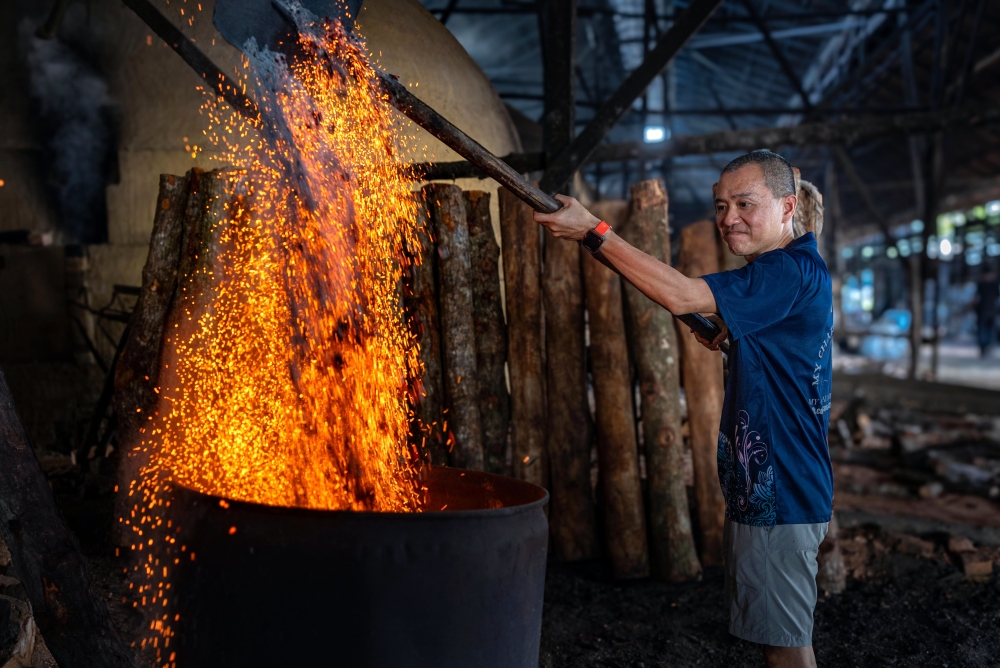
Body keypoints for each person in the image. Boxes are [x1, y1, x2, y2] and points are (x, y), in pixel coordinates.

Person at [534, 149, 833, 668]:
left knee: (788, 652)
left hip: (782, 491)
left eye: (745, 204)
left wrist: (593, 229)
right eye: (720, 205)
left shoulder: (785, 270)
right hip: (772, 489)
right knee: (777, 641)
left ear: (788, 208)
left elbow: (680, 295)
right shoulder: (783, 272)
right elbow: (718, 319)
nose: (728, 218)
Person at [975, 269, 998, 358]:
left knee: (988, 331)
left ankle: (986, 348)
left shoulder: (993, 285)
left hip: (989, 312)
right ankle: (983, 348)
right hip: (983, 312)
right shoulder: (982, 285)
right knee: (983, 331)